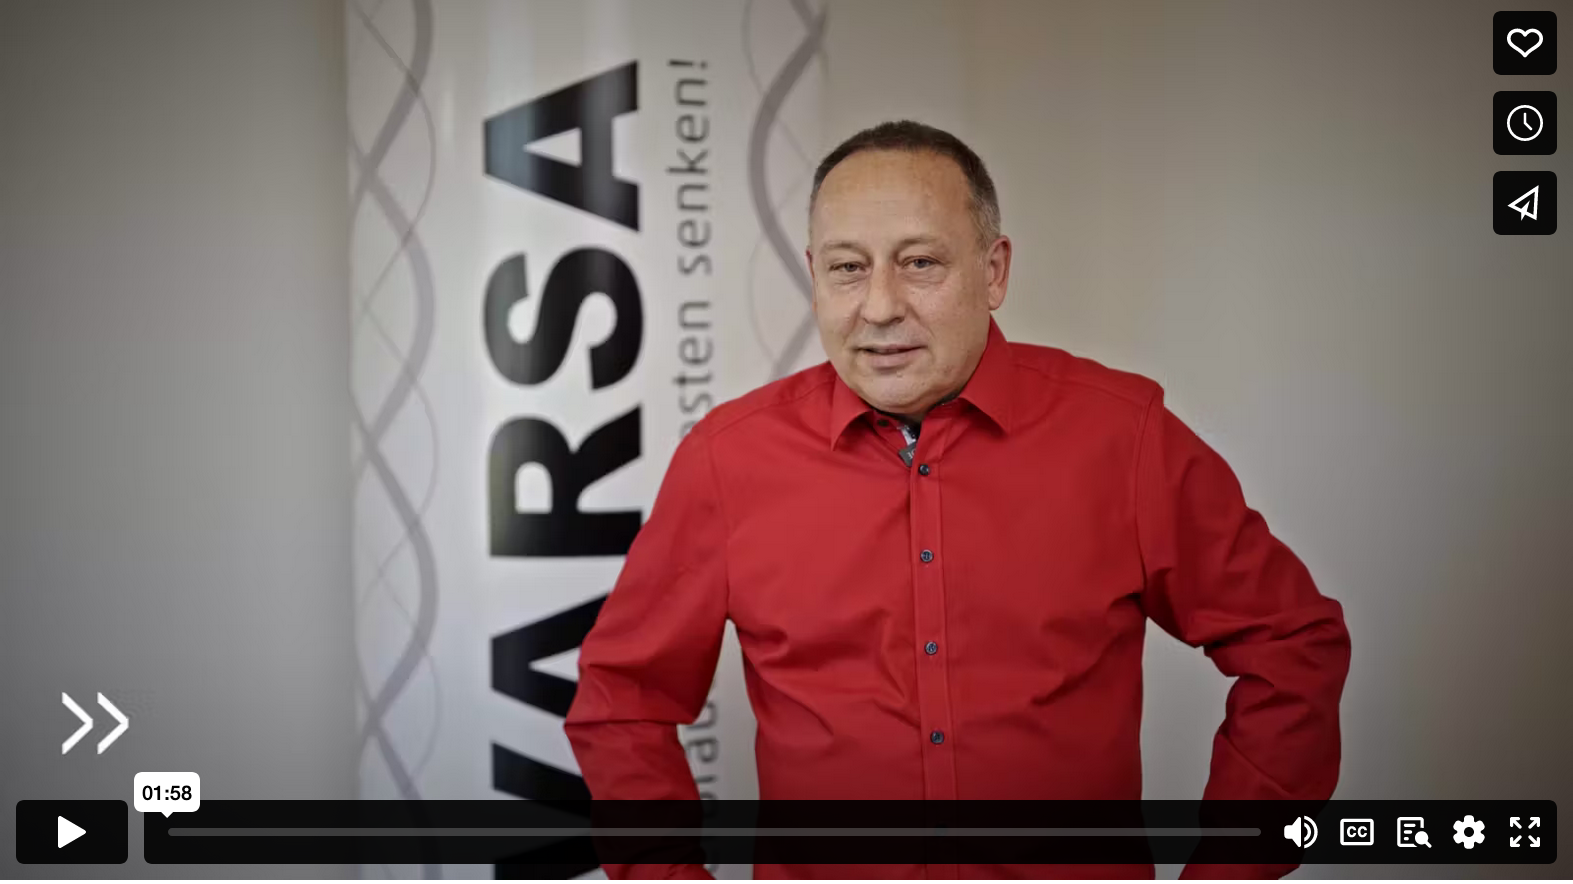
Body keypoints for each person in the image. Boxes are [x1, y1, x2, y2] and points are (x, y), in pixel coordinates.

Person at [564, 119, 1351, 879]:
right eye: (847, 268)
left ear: (993, 270)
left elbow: (1290, 645)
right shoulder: (728, 460)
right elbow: (622, 698)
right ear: (813, 277)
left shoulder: (1123, 435)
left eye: (919, 263)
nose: (878, 306)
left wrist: (1228, 872)